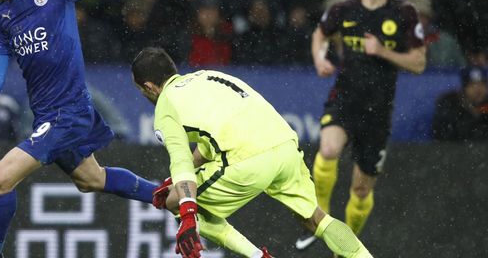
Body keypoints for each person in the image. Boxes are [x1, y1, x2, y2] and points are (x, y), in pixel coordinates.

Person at [0, 0, 205, 258]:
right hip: (46, 115)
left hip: (68, 111)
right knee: (91, 179)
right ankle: (168, 199)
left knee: (1, 177)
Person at [131, 47, 374, 258]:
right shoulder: (207, 76)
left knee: (174, 200)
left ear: (149, 87)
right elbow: (211, 140)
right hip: (285, 145)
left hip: (246, 159)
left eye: (142, 91)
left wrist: (187, 213)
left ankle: (257, 255)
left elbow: (181, 162)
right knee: (315, 219)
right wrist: (177, 181)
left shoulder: (165, 108)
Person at [296, 0, 426, 250]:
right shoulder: (343, 9)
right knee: (328, 149)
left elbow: (419, 63)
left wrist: (382, 51)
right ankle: (320, 218)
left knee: (361, 188)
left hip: (379, 110)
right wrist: (319, 58)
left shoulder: (403, 13)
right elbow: (320, 34)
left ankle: (345, 245)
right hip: (345, 98)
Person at [432, 65, 488, 141]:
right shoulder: (450, 105)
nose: (478, 90)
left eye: (482, 84)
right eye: (472, 85)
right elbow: (442, 136)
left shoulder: (485, 107)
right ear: (464, 88)